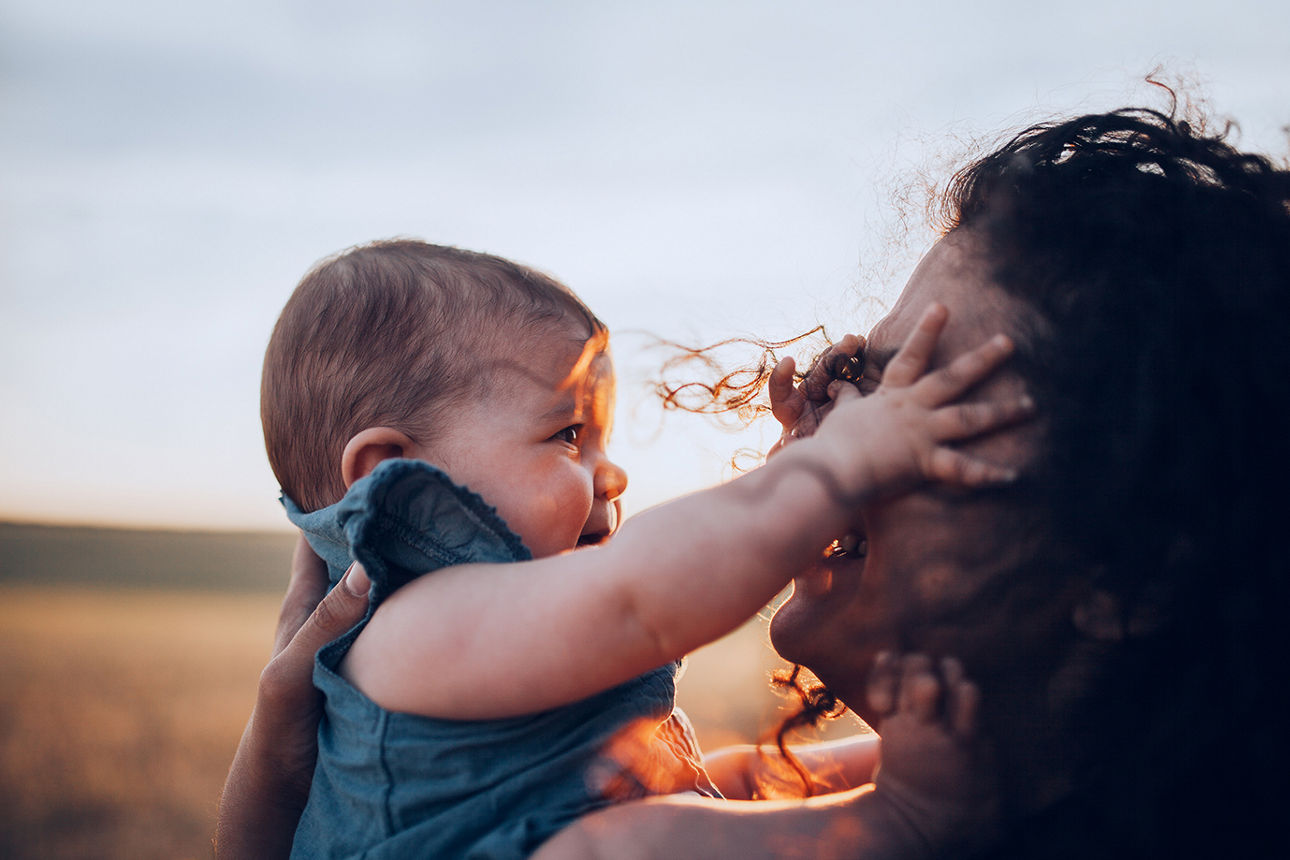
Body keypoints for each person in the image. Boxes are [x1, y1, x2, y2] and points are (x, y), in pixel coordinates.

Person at [220, 99, 1290, 858]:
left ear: (1136, 559)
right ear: (394, 469)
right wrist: (276, 778)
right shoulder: (429, 634)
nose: (838, 423)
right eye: (858, 380)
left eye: (923, 398)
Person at [248, 240, 1024, 859]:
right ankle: (905, 824)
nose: (611, 471)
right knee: (628, 844)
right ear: (396, 475)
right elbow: (645, 593)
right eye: (568, 435)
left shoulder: (472, 622)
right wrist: (837, 467)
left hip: (579, 811)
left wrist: (792, 477)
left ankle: (907, 779)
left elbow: (689, 568)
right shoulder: (413, 626)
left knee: (734, 777)